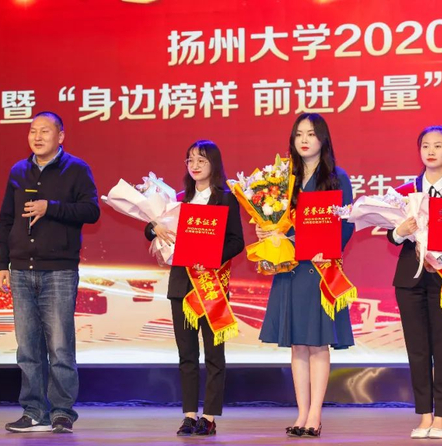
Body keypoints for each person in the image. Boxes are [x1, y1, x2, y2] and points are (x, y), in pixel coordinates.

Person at [0, 111, 100, 434]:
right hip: (21, 270)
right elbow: (6, 219)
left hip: (58, 271)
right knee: (27, 348)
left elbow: (91, 210)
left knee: (60, 346)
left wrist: (49, 207)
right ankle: (33, 410)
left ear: (61, 136)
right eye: (32, 131)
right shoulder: (18, 171)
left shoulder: (77, 169)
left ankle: (62, 411)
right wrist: (1, 264)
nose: (37, 137)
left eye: (45, 131)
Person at [257, 113, 355, 438]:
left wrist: (329, 248)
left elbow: (347, 223)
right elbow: (275, 222)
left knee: (316, 342)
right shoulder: (283, 179)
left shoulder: (337, 178)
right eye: (299, 134)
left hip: (319, 269)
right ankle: (301, 414)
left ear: (322, 139)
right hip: (290, 268)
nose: (304, 140)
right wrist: (266, 231)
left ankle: (315, 415)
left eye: (311, 134)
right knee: (297, 344)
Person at [146, 140, 244, 437]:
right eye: (190, 160)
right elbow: (150, 228)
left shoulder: (226, 199)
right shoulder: (178, 200)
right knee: (186, 354)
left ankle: (209, 416)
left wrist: (212, 258)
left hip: (212, 286)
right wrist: (154, 227)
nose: (195, 165)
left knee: (214, 355)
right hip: (182, 285)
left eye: (201, 159)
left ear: (214, 163)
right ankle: (189, 414)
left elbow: (237, 242)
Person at [388, 125, 442, 440]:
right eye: (425, 145)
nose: (431, 151)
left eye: (438, 145)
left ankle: (441, 418)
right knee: (418, 350)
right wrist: (400, 231)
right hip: (409, 280)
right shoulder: (405, 190)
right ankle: (424, 416)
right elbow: (392, 236)